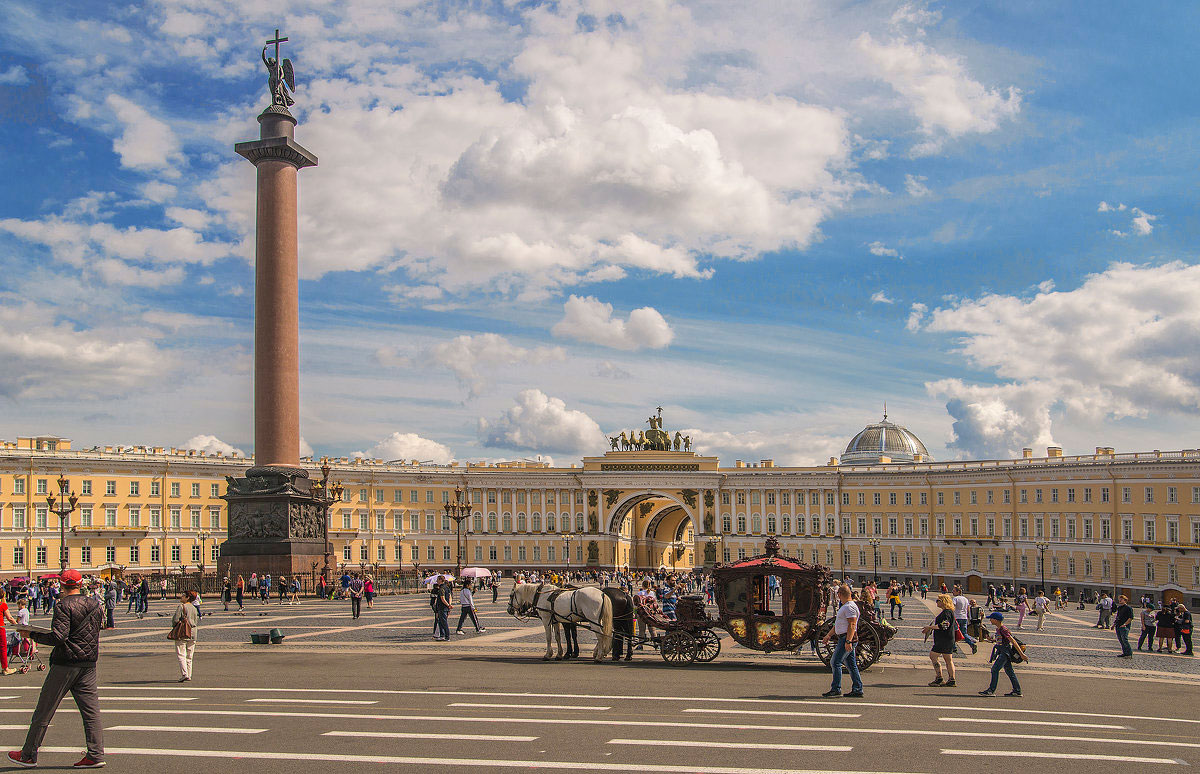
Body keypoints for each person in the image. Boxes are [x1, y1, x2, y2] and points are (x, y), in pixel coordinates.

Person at [9, 568, 105, 768]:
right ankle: (95, 754)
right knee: (91, 712)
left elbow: (58, 637)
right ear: (80, 584)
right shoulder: (95, 604)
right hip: (88, 663)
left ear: (61, 585)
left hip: (66, 663)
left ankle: (28, 754)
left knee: (44, 709)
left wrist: (32, 634)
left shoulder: (63, 605)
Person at [821, 584, 863, 699]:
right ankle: (858, 688)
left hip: (846, 638)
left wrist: (848, 641)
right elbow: (839, 624)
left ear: (839, 594)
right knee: (851, 665)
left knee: (835, 662)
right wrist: (828, 635)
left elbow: (852, 624)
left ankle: (836, 689)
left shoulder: (849, 607)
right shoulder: (847, 606)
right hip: (845, 637)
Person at [978, 611, 1023, 697]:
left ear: (996, 620)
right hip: (1002, 651)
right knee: (1009, 671)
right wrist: (992, 640)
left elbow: (1012, 641)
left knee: (995, 670)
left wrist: (1021, 654)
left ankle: (991, 690)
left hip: (1004, 653)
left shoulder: (1003, 629)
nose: (990, 620)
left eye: (991, 618)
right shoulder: (999, 629)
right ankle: (1017, 691)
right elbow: (1002, 640)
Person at [924, 593, 957, 687]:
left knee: (933, 656)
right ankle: (951, 679)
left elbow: (944, 625)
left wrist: (930, 627)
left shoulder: (947, 612)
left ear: (943, 602)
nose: (936, 602)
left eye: (938, 600)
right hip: (948, 639)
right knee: (948, 659)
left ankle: (939, 677)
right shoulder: (949, 612)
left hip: (943, 639)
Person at [170, 590, 199, 682]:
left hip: (183, 632)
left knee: (181, 654)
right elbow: (196, 621)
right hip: (193, 633)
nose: (181, 597)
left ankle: (184, 674)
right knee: (190, 656)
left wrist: (175, 625)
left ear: (187, 597)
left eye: (183, 595)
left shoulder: (181, 607)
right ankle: (189, 674)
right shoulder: (194, 608)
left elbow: (175, 620)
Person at [951, 588, 978, 654]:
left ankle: (954, 648)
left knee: (953, 632)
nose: (952, 592)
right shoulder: (965, 599)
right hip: (964, 618)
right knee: (964, 633)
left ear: (958, 592)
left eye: (954, 591)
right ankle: (972, 644)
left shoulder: (955, 599)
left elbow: (953, 607)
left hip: (957, 617)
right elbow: (968, 609)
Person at [0, 595, 17, 676]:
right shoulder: (3, 605)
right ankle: (5, 668)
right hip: (0, 627)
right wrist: (17, 625)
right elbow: (10, 618)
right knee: (3, 647)